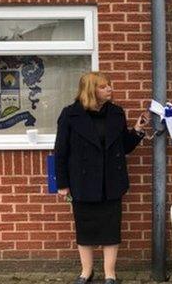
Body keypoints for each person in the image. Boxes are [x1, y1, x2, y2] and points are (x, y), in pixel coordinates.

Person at [55, 72, 149, 284]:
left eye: (109, 86)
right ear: (91, 90)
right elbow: (61, 151)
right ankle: (86, 272)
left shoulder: (116, 113)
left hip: (111, 181)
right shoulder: (70, 115)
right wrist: (62, 183)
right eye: (104, 86)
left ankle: (110, 274)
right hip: (82, 181)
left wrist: (137, 131)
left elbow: (123, 146)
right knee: (85, 228)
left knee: (110, 229)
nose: (109, 89)